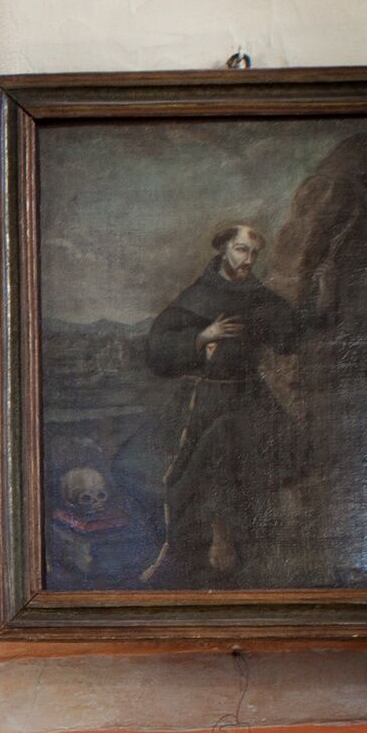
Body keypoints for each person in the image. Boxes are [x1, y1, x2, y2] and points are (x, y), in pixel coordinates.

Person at [138, 220, 305, 585]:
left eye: (254, 253)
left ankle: (250, 555)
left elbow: (290, 335)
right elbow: (158, 349)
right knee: (191, 473)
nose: (248, 260)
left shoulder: (259, 296)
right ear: (223, 249)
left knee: (274, 464)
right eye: (242, 250)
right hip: (208, 397)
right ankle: (197, 554)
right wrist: (203, 336)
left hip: (250, 396)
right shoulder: (198, 296)